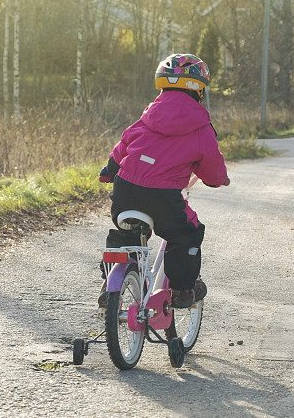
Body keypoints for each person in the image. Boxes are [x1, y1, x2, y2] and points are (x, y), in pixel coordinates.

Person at [98, 53, 230, 309]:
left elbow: (123, 146)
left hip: (125, 190)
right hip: (164, 199)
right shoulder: (202, 128)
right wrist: (218, 180)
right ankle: (182, 290)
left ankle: (111, 281)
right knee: (187, 233)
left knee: (127, 231)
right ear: (199, 90)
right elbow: (212, 170)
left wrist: (108, 171)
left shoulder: (147, 118)